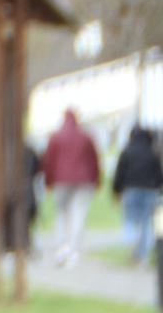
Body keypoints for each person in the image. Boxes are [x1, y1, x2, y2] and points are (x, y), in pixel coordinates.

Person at [40, 108, 102, 266]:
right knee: (78, 214)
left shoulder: (56, 137)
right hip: (84, 181)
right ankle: (73, 249)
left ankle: (62, 247)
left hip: (61, 181)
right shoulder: (86, 137)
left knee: (61, 214)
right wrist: (96, 180)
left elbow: (48, 161)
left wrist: (48, 181)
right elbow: (94, 160)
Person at [113, 123, 160, 270]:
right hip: (150, 190)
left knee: (130, 220)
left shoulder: (127, 151)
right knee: (146, 223)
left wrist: (116, 190)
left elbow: (119, 173)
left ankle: (134, 248)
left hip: (131, 189)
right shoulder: (153, 152)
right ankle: (142, 254)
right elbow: (159, 174)